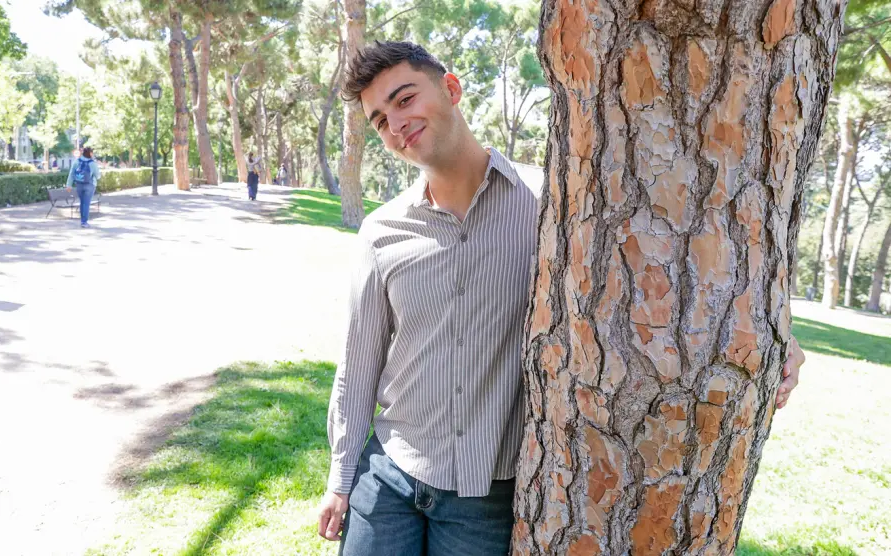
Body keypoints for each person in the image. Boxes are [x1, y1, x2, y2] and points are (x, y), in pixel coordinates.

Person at [316, 41, 808, 555]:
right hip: (389, 472)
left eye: (404, 99)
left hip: (485, 495)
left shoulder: (551, 203)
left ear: (452, 89)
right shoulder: (380, 233)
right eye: (379, 120)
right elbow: (359, 362)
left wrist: (773, 340)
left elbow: (654, 274)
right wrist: (340, 478)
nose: (396, 124)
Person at [65, 146, 101, 229]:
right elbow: (98, 176)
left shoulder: (77, 161)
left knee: (82, 202)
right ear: (90, 153)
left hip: (79, 185)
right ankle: (84, 222)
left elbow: (71, 174)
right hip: (90, 185)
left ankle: (83, 221)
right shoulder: (92, 163)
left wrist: (69, 185)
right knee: (86, 203)